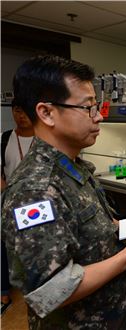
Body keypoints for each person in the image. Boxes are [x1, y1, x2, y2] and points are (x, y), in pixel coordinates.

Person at [1, 55, 126, 329]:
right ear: (46, 112)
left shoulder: (75, 168)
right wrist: (125, 259)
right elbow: (50, 292)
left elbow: (89, 232)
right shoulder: (35, 191)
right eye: (88, 108)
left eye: (96, 106)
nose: (98, 116)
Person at [1, 103, 34, 313]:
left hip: (38, 204)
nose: (20, 116)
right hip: (9, 202)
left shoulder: (46, 138)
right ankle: (3, 293)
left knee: (35, 245)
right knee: (3, 245)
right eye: (16, 110)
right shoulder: (4, 138)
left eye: (25, 110)